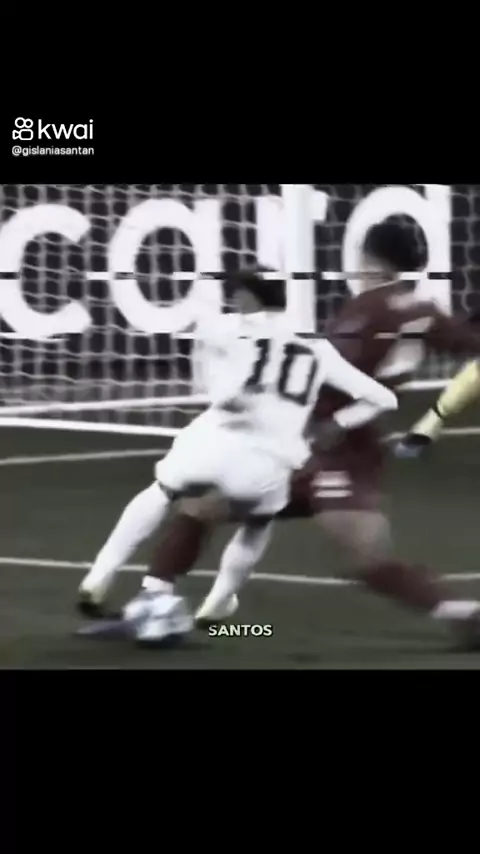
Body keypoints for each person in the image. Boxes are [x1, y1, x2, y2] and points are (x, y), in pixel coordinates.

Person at [148, 223, 480, 651]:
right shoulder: (425, 310)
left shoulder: (367, 310)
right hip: (337, 446)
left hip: (328, 443)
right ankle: (155, 605)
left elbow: (325, 375)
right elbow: (467, 342)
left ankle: (465, 614)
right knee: (205, 505)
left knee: (362, 556)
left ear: (370, 260)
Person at [77, 270, 397, 646]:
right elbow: (384, 399)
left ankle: (100, 576)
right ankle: (219, 603)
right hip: (269, 461)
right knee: (258, 522)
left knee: (162, 492)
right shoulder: (318, 347)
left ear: (248, 299)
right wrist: (336, 423)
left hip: (213, 442)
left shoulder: (226, 328)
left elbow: (212, 386)